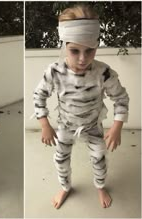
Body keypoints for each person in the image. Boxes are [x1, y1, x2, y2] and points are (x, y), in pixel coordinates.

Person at [33, 4, 129, 210]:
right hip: (65, 126)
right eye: (74, 51)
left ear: (96, 45)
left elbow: (121, 98)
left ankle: (100, 186)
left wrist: (117, 126)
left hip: (93, 126)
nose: (83, 58)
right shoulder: (55, 72)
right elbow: (38, 95)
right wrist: (44, 125)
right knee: (60, 158)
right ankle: (65, 186)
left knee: (99, 157)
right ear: (64, 45)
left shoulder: (103, 73)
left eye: (90, 50)